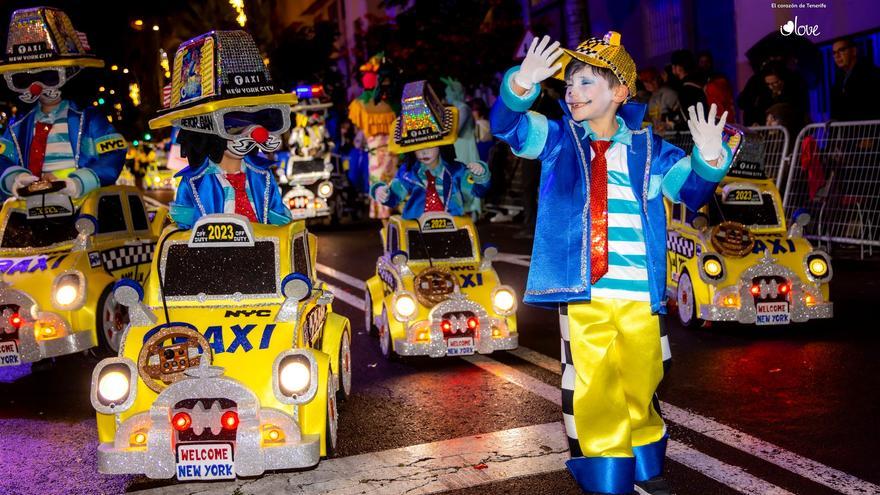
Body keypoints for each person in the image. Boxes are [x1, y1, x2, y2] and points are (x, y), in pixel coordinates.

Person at [491, 33, 732, 495]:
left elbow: (691, 191)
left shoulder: (650, 147)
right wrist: (520, 85)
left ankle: (644, 452)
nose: (573, 92)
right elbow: (509, 128)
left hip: (639, 290)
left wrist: (709, 157)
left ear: (621, 91)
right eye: (569, 85)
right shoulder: (560, 140)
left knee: (643, 377)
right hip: (587, 290)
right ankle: (606, 469)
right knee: (596, 380)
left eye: (585, 82)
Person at [147, 30, 293, 229]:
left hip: (260, 254)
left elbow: (279, 219)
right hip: (214, 258)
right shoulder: (193, 182)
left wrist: (283, 219)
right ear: (206, 130)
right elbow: (183, 227)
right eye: (234, 127)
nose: (255, 134)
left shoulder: (263, 176)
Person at [0, 7, 126, 199]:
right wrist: (17, 179)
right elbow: (1, 159)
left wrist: (76, 182)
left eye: (49, 76)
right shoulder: (17, 125)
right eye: (25, 80)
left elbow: (113, 155)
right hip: (29, 206)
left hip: (82, 202)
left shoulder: (90, 119)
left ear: (70, 74)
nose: (37, 88)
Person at [371, 80, 490, 219]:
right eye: (418, 148)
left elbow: (478, 191)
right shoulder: (408, 174)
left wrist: (480, 175)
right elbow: (394, 197)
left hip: (451, 230)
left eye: (430, 146)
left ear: (441, 145)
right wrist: (381, 192)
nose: (423, 152)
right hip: (417, 230)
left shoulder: (456, 171)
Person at [830, 37, 880, 121]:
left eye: (841, 50)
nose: (837, 56)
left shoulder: (870, 73)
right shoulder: (838, 79)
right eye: (834, 53)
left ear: (853, 51)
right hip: (846, 132)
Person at [669, 49, 707, 125]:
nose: (672, 68)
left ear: (679, 67)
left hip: (696, 132)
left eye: (673, 65)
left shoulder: (686, 89)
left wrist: (672, 124)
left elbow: (687, 119)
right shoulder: (700, 81)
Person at [638, 67, 681, 132]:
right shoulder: (651, 98)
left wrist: (669, 124)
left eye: (652, 79)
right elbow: (653, 120)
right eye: (645, 81)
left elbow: (679, 115)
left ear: (658, 79)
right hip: (660, 136)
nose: (649, 83)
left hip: (673, 135)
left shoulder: (668, 93)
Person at [697, 51, 734, 123]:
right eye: (702, 62)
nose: (704, 65)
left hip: (721, 119)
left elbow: (727, 100)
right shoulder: (698, 81)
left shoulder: (720, 79)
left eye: (706, 62)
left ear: (710, 63)